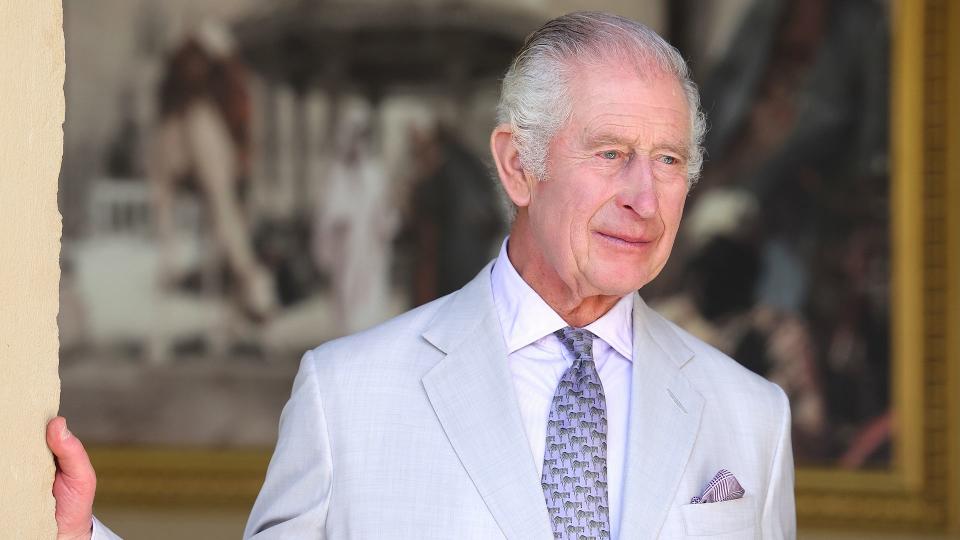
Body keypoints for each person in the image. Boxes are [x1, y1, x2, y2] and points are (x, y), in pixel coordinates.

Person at [48, 12, 795, 539]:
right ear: (517, 166)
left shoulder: (751, 417)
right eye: (609, 154)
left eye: (667, 160)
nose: (643, 196)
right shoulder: (346, 397)